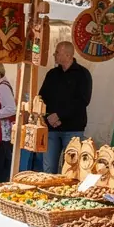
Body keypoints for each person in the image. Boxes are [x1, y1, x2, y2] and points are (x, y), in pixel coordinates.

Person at [38, 41, 93, 173]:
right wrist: (49, 116)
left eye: (57, 52)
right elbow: (42, 97)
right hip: (52, 128)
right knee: (49, 167)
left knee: (71, 168)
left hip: (73, 128)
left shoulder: (82, 74)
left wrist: (59, 115)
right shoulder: (52, 74)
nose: (54, 55)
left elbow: (83, 101)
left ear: (68, 55)